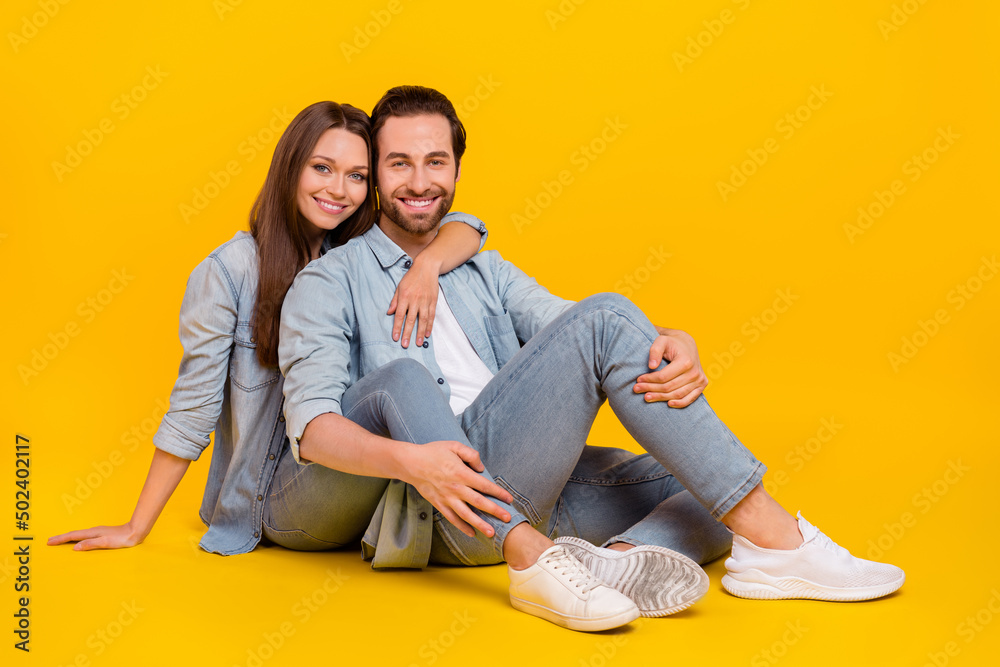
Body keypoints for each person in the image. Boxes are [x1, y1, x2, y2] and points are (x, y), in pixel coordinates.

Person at [277, 86, 906, 631]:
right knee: (602, 323)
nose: (419, 182)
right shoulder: (331, 281)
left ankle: (620, 562)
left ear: (458, 171)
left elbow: (572, 329)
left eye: (435, 161)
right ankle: (784, 544)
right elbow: (312, 428)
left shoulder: (483, 269)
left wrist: (670, 338)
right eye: (398, 164)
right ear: (376, 176)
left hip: (532, 488)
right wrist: (416, 463)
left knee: (704, 481)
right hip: (441, 508)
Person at [47, 101, 492, 556]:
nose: (338, 190)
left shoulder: (361, 256)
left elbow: (461, 224)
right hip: (279, 485)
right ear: (289, 168)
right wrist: (136, 526)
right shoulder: (230, 271)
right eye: (322, 168)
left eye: (357, 176)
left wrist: (429, 264)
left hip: (363, 481)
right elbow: (192, 408)